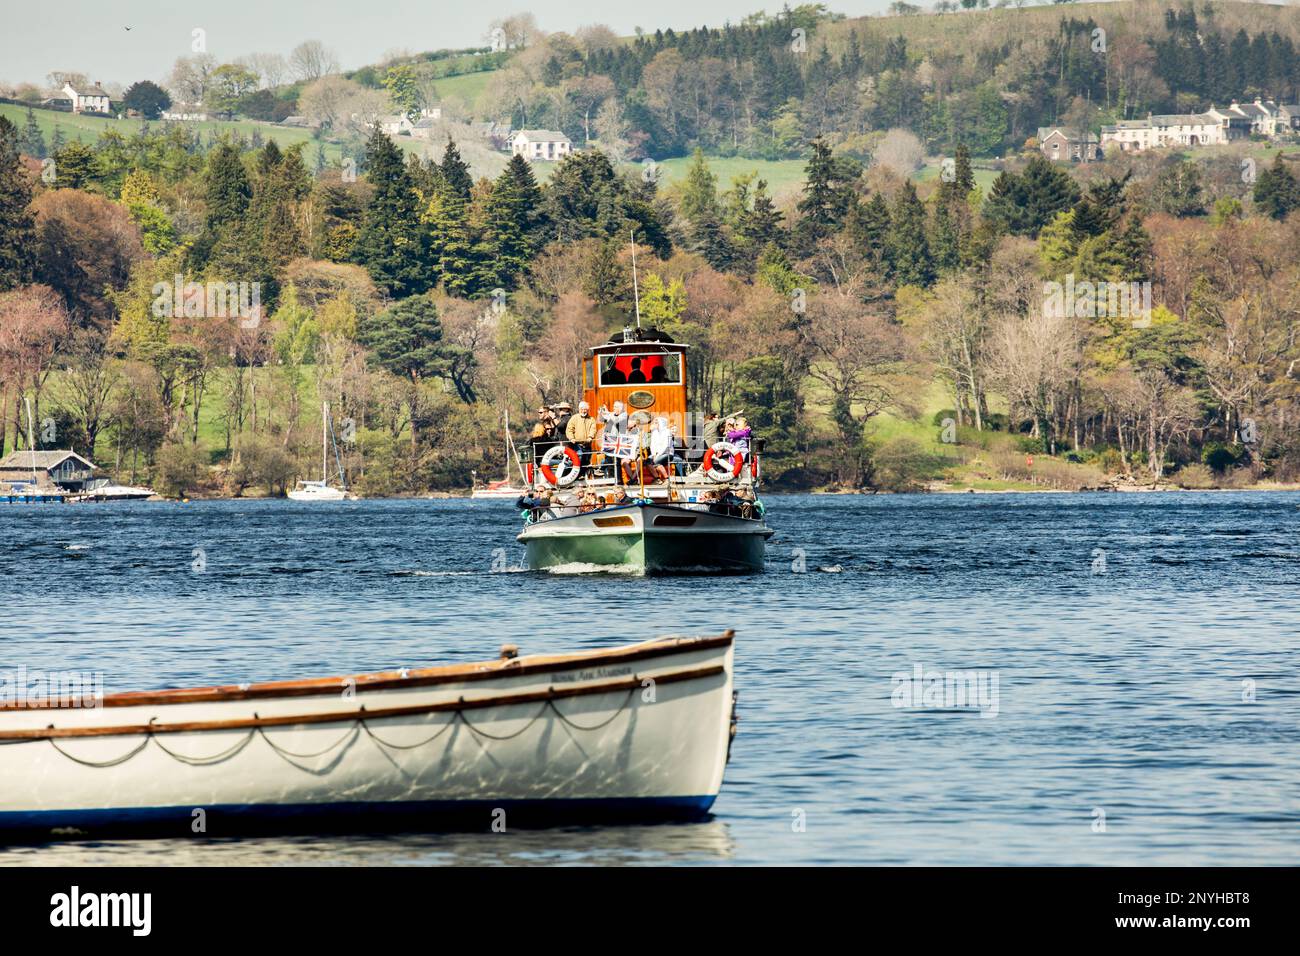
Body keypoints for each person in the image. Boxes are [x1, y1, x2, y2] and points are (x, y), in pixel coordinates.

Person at [565, 400, 600, 475]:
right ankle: (575, 475)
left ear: (587, 410)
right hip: (577, 445)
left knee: (586, 461)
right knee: (579, 457)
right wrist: (571, 438)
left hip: (587, 445)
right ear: (579, 409)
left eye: (585, 409)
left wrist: (590, 437)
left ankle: (583, 477)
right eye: (582, 409)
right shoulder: (574, 418)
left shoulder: (591, 419)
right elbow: (569, 429)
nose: (583, 411)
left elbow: (593, 429)